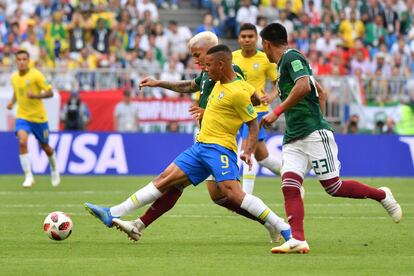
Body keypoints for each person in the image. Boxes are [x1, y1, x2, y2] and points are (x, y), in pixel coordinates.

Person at [84, 45, 292, 245]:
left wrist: (247, 150)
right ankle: (112, 213)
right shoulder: (224, 83)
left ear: (221, 65)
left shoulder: (237, 91)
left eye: (208, 64)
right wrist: (217, 112)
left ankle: (282, 226)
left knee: (233, 194)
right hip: (200, 147)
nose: (205, 68)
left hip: (219, 149)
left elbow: (252, 122)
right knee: (165, 179)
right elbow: (254, 97)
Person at [259, 23, 402, 254]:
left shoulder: (292, 56)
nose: (262, 49)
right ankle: (298, 239)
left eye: (261, 44)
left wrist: (280, 112)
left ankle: (382, 194)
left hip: (313, 133)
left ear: (266, 43)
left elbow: (304, 86)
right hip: (294, 136)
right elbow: (321, 92)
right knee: (289, 185)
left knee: (333, 187)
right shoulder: (285, 65)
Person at [232, 23, 281, 195]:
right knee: (263, 157)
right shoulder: (232, 57)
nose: (247, 40)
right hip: (237, 112)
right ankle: (292, 177)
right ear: (239, 39)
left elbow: (278, 84)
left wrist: (272, 96)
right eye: (243, 36)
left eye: (250, 36)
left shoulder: (265, 59)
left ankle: (246, 199)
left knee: (247, 151)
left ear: (256, 39)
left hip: (257, 111)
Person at [6, 49, 60, 188]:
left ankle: (54, 169)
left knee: (46, 147)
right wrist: (12, 102)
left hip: (39, 118)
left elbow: (50, 93)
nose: (22, 62)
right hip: (23, 116)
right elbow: (18, 92)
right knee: (22, 141)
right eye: (19, 60)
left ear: (28, 61)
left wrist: (35, 96)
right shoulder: (14, 78)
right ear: (16, 61)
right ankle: (29, 176)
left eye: (24, 59)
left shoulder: (36, 75)